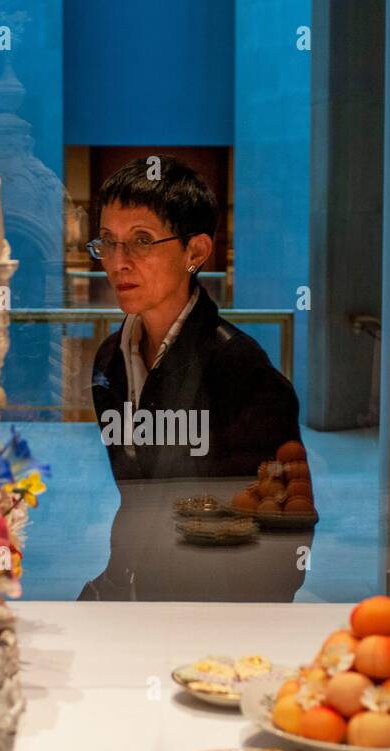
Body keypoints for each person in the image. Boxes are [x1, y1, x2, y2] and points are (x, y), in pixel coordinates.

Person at [81, 156, 308, 601]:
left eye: (141, 241)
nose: (117, 263)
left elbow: (284, 534)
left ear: (195, 252)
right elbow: (136, 498)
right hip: (131, 591)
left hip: (211, 611)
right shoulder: (109, 360)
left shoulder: (240, 369)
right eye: (108, 242)